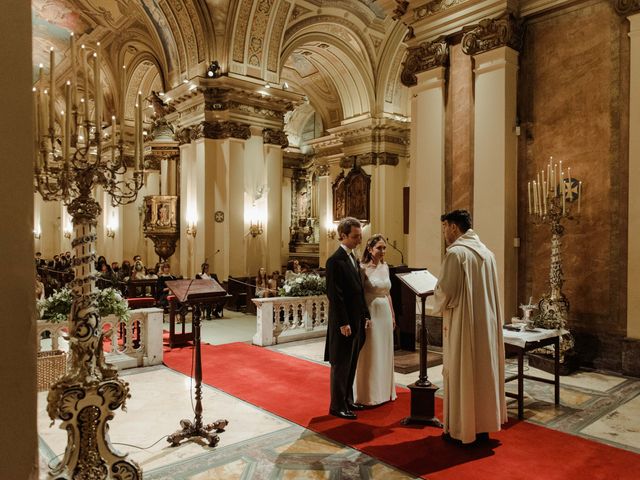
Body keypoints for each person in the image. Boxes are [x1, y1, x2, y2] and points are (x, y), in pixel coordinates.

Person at [432, 210, 507, 445]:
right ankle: (483, 425)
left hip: (464, 322)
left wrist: (436, 296)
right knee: (483, 372)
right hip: (486, 323)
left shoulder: (457, 254)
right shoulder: (487, 253)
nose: (444, 233)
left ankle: (461, 430)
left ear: (454, 227)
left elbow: (446, 291)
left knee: (463, 370)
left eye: (445, 227)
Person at [324, 217, 370, 419]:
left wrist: (365, 314)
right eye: (355, 236)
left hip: (357, 319)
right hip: (344, 323)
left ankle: (348, 400)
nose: (359, 240)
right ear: (342, 236)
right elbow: (335, 295)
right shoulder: (335, 261)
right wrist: (343, 322)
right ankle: (337, 405)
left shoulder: (353, 257)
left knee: (351, 363)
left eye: (360, 236)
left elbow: (358, 291)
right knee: (341, 364)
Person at [353, 234, 397, 406]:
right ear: (370, 249)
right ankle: (369, 394)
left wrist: (392, 315)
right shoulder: (363, 268)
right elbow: (359, 294)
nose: (382, 251)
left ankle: (385, 391)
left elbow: (388, 293)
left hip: (385, 312)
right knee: (371, 351)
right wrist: (364, 315)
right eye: (379, 248)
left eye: (384, 248)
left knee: (385, 350)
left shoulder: (385, 267)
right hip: (371, 312)